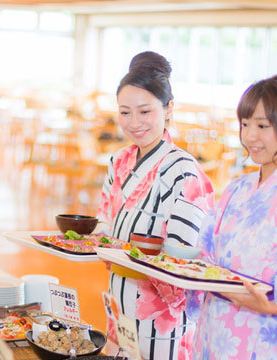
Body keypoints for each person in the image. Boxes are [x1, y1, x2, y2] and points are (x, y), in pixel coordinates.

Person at [187, 75, 277, 359]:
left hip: (263, 338)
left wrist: (267, 306)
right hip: (213, 330)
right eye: (245, 124)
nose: (250, 136)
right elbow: (204, 251)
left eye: (263, 125)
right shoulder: (236, 188)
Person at [98, 51, 214, 359]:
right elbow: (103, 226)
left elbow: (180, 263)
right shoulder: (118, 161)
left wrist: (123, 254)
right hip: (118, 300)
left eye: (145, 111)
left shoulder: (185, 171)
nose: (134, 123)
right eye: (125, 113)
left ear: (169, 108)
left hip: (160, 317)